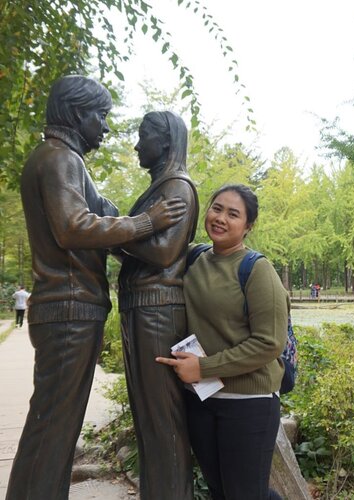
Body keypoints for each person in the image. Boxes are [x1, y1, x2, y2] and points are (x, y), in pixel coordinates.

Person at [6, 75, 185, 500]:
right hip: (69, 309)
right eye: (100, 117)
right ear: (76, 113)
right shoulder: (58, 158)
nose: (105, 129)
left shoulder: (63, 160)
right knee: (52, 428)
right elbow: (74, 227)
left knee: (56, 427)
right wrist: (146, 222)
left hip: (71, 308)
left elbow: (100, 212)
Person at [156, 184, 289, 500]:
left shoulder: (256, 269)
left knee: (244, 494)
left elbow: (269, 343)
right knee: (221, 492)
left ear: (247, 226)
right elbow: (153, 251)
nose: (221, 218)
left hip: (248, 403)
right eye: (217, 208)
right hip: (202, 400)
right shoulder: (194, 257)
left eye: (233, 214)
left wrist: (203, 367)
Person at [115, 111, 198, 499]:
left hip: (157, 312)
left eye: (142, 136)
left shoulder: (177, 188)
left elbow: (164, 253)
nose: (136, 145)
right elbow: (143, 244)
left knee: (162, 418)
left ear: (164, 142)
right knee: (147, 418)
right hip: (141, 309)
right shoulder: (158, 189)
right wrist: (129, 229)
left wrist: (115, 234)